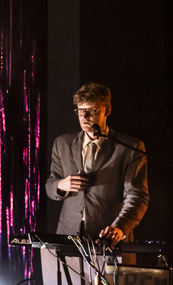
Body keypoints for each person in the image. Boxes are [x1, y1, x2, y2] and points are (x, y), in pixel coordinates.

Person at [45, 81, 148, 243]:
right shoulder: (62, 143)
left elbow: (137, 197)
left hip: (109, 239)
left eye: (91, 110)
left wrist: (120, 227)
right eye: (80, 111)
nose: (84, 117)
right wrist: (61, 185)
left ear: (107, 110)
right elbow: (50, 186)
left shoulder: (131, 148)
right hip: (68, 237)